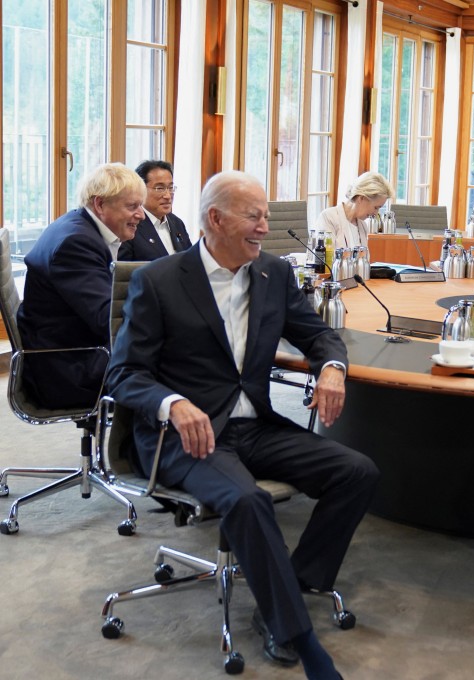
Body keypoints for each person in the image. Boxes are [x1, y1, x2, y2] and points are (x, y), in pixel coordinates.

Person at [106, 171, 379, 680]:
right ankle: (297, 634)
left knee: (357, 471)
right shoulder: (159, 280)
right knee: (248, 500)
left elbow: (318, 334)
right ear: (216, 219)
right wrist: (172, 402)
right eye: (254, 216)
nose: (264, 227)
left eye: (266, 217)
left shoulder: (273, 274)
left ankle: (291, 587)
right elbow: (123, 374)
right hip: (184, 436)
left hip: (254, 426)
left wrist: (332, 367)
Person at [17, 162, 145, 409]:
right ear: (99, 204)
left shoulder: (81, 227)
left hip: (76, 351)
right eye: (132, 206)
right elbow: (106, 319)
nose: (140, 214)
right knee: (181, 367)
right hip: (69, 369)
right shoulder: (76, 243)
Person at [118, 160, 192, 261]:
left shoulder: (177, 223)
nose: (168, 196)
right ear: (141, 189)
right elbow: (122, 272)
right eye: (160, 188)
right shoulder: (131, 224)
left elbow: (190, 262)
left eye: (170, 188)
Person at [314, 171, 395, 249]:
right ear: (361, 198)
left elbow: (364, 260)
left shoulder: (363, 225)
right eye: (376, 207)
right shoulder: (328, 218)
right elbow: (325, 258)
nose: (376, 213)